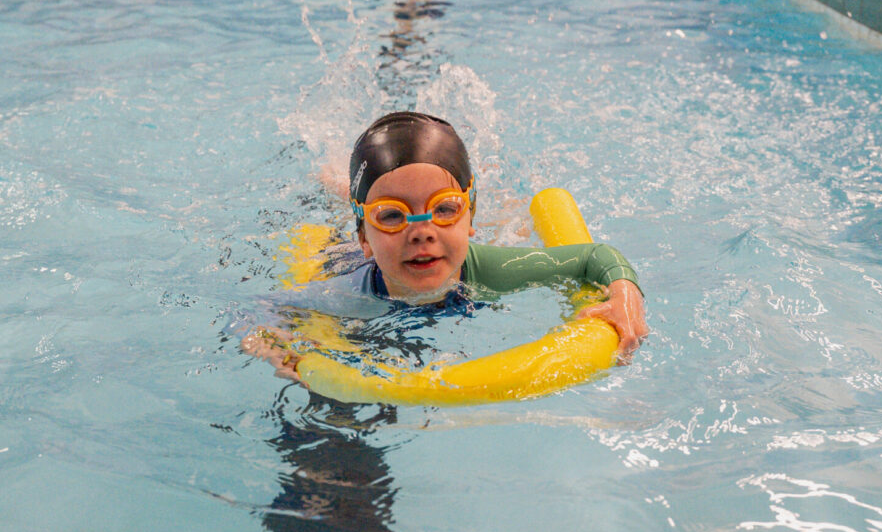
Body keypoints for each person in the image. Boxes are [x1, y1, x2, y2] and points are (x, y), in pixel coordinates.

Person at [242, 111, 648, 382]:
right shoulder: (347, 292)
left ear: (470, 217)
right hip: (341, 259)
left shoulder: (494, 271)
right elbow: (257, 311)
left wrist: (625, 297)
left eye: (445, 209)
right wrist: (274, 344)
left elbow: (597, 257)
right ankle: (337, 186)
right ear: (365, 238)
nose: (421, 231)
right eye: (391, 215)